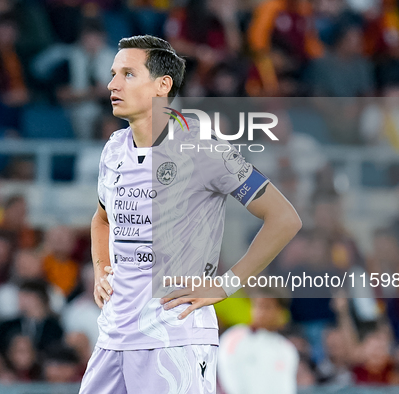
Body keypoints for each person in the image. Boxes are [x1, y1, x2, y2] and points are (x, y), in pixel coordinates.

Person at [81, 35, 302, 394]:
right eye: (113, 74)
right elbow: (101, 218)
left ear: (162, 85)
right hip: (113, 336)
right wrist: (100, 269)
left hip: (175, 337)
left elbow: (284, 218)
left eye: (127, 74)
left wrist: (226, 284)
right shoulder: (114, 149)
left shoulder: (202, 147)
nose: (112, 84)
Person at [218, 286, 299, 394]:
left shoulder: (287, 349)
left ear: (280, 312)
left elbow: (286, 387)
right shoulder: (234, 337)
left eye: (267, 307)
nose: (260, 312)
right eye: (257, 305)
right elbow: (229, 378)